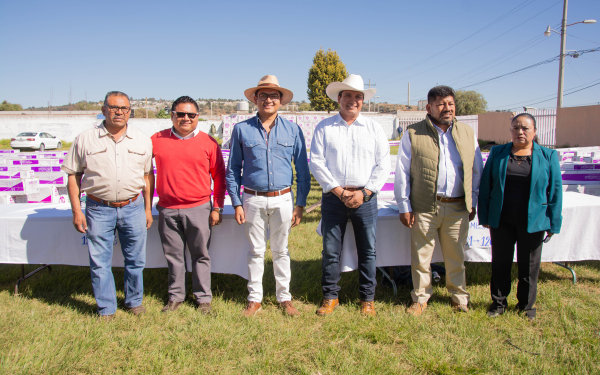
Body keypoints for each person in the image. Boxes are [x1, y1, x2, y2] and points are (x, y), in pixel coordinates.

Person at [62, 91, 154, 320]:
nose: (119, 112)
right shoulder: (85, 139)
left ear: (130, 112)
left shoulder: (142, 140)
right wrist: (77, 211)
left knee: (135, 259)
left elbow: (147, 176)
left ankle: (134, 301)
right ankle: (107, 308)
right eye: (114, 107)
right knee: (99, 261)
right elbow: (73, 175)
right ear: (103, 110)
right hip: (98, 208)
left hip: (133, 206)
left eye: (124, 108)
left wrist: (147, 208)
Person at [394, 85, 483, 316]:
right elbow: (403, 172)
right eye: (441, 104)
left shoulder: (467, 133)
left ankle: (459, 297)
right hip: (424, 206)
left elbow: (476, 171)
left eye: (451, 103)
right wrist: (405, 206)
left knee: (456, 255)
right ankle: (421, 298)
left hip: (457, 206)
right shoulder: (413, 133)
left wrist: (472, 201)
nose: (447, 108)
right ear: (429, 107)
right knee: (422, 256)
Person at [226, 75, 310, 317]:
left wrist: (301, 203)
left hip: (283, 199)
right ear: (255, 99)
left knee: (281, 250)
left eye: (274, 95)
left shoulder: (293, 130)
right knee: (255, 250)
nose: (269, 99)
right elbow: (233, 170)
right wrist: (237, 202)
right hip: (252, 198)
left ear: (281, 101)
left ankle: (285, 297)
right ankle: (255, 299)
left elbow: (302, 170)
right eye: (263, 95)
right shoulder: (242, 130)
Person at [310, 74, 391, 316]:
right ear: (339, 98)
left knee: (368, 249)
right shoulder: (324, 127)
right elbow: (317, 162)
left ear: (363, 101)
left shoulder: (374, 129)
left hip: (365, 198)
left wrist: (365, 192)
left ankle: (367, 298)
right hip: (334, 197)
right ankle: (330, 296)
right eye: (348, 95)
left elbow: (383, 164)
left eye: (358, 97)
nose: (352, 101)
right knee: (331, 249)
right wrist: (339, 190)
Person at [478, 113, 562, 321]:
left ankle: (526, 306)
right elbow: (486, 186)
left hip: (533, 222)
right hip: (502, 220)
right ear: (511, 131)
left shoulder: (548, 156)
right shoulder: (498, 153)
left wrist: (553, 221)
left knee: (529, 266)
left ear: (534, 131)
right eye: (516, 128)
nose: (520, 132)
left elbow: (555, 190)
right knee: (501, 264)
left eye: (525, 128)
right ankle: (498, 303)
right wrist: (485, 215)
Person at [151, 96, 226, 315]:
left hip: (199, 208)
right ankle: (176, 297)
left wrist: (216, 207)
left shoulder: (209, 142)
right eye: (180, 114)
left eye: (191, 115)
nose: (186, 118)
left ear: (197, 117)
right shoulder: (156, 140)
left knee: (200, 255)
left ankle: (203, 299)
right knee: (173, 256)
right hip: (168, 208)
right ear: (172, 115)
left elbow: (219, 177)